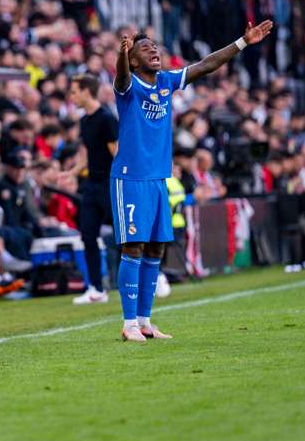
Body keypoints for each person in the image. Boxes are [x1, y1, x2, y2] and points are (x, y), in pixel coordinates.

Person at [112, 20, 273, 342]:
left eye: (155, 47)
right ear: (133, 60)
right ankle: (128, 324)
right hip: (131, 178)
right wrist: (121, 55)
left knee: (155, 248)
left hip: (159, 177)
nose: (154, 51)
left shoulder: (166, 81)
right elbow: (121, 77)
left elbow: (207, 64)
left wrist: (242, 42)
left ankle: (144, 321)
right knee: (133, 246)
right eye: (145, 49)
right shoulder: (128, 86)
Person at [63, 73, 118, 305]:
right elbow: (88, 154)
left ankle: (153, 276)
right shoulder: (85, 121)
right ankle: (96, 289)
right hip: (91, 185)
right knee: (87, 235)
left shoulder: (106, 119)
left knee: (125, 235)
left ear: (86, 91)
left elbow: (117, 153)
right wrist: (72, 172)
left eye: (74, 92)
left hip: (109, 184)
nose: (72, 96)